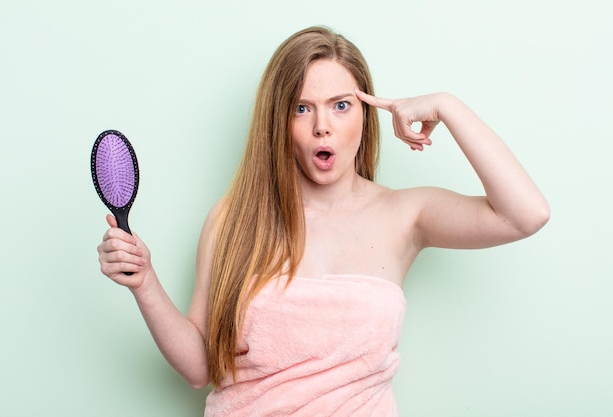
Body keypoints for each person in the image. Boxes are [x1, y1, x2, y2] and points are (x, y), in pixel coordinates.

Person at [97, 26, 549, 416]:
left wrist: (448, 106)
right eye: (301, 108)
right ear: (279, 121)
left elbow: (526, 214)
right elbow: (199, 369)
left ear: (366, 115)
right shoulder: (233, 218)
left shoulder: (405, 215)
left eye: (340, 105)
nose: (321, 127)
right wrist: (144, 281)